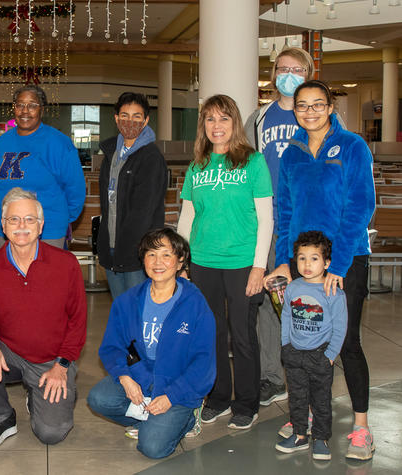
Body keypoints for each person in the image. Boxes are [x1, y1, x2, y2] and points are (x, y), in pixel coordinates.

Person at [265, 80, 376, 461]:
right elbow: (285, 211)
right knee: (304, 339)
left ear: (331, 107)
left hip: (346, 261)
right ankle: (308, 413)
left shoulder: (352, 147)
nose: (309, 112)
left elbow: (360, 207)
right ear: (293, 109)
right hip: (303, 264)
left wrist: (339, 265)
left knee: (345, 344)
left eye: (317, 105)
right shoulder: (291, 152)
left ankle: (361, 427)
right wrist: (284, 258)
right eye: (302, 106)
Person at [177, 94, 273, 430]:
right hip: (203, 262)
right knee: (211, 334)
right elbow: (187, 217)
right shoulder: (197, 166)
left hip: (242, 263)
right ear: (203, 125)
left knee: (243, 336)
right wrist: (182, 264)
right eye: (210, 119)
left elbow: (266, 218)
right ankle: (218, 397)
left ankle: (247, 403)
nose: (217, 126)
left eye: (224, 119)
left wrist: (259, 266)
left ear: (235, 123)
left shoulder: (253, 162)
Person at [0, 188, 87, 446]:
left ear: (40, 225)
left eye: (29, 219)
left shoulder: (66, 264)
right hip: (9, 351)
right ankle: (1, 416)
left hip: (51, 360)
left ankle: (39, 395)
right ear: (3, 225)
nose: (22, 226)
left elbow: (77, 323)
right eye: (14, 219)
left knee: (51, 433)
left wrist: (62, 365)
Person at [87, 228, 215, 459]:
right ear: (143, 259)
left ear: (180, 262)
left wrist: (171, 397)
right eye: (151, 254)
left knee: (152, 447)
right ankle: (150, 420)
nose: (158, 262)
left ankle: (186, 419)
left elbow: (203, 363)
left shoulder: (195, 304)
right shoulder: (128, 301)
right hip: (141, 379)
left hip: (177, 388)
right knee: (98, 398)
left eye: (166, 255)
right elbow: (114, 347)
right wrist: (125, 378)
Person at [244, 47, 316, 407]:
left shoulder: (318, 115)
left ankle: (308, 376)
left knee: (308, 302)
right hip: (267, 224)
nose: (289, 74)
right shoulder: (259, 119)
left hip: (306, 226)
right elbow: (243, 168)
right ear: (273, 74)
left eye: (297, 68)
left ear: (309, 72)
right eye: (283, 68)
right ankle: (272, 377)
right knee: (266, 304)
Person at [274, 231, 347, 461]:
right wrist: (286, 344)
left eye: (314, 258)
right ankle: (299, 435)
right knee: (296, 398)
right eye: (302, 257)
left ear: (327, 263)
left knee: (321, 400)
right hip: (294, 353)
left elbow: (340, 326)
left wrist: (330, 355)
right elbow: (286, 315)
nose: (307, 264)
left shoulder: (333, 291)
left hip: (320, 356)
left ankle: (321, 438)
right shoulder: (294, 287)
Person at [0, 85, 85, 249]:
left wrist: (58, 220)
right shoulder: (1, 143)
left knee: (45, 275)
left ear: (42, 109)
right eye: (20, 105)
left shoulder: (58, 143)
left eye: (32, 105)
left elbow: (75, 190)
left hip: (47, 233)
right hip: (7, 232)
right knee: (6, 275)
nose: (25, 111)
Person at [98, 92, 168, 300]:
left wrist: (131, 250)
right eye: (125, 115)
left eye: (137, 116)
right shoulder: (111, 154)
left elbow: (143, 212)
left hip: (137, 254)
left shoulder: (151, 158)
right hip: (111, 249)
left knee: (139, 311)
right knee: (121, 311)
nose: (130, 121)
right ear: (116, 118)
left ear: (146, 120)